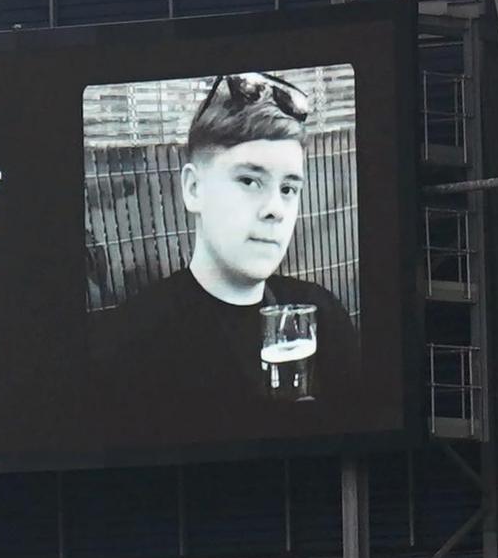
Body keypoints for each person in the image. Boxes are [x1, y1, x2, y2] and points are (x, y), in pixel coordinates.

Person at [92, 72, 357, 405]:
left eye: (288, 189)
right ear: (193, 189)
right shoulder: (132, 343)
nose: (275, 209)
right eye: (249, 181)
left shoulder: (324, 316)